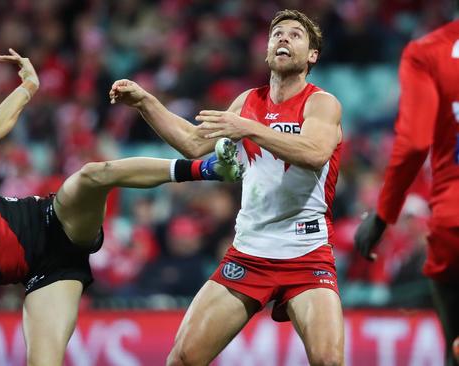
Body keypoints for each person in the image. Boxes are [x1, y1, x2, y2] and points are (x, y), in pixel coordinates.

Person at [0, 49, 243, 366]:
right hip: (47, 275)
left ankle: (207, 167)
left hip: (59, 219)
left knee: (91, 174)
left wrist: (27, 87)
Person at [110, 9, 344, 366]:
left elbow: (314, 153)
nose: (283, 38)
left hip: (307, 251)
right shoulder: (247, 102)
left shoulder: (321, 103)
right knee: (182, 359)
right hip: (249, 251)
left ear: (312, 55)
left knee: (329, 362)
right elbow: (191, 142)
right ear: (266, 51)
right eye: (277, 33)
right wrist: (145, 102)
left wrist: (249, 129)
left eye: (296, 35)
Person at [354, 16, 459, 366]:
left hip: (453, 219)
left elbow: (414, 144)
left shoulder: (427, 52)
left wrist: (384, 216)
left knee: (454, 347)